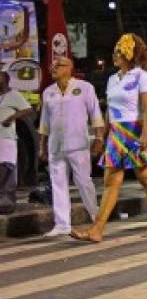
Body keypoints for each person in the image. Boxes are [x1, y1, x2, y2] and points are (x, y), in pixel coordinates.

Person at [71, 34, 147, 242]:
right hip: (116, 132)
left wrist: (145, 135)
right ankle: (97, 229)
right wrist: (102, 136)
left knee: (145, 177)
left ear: (128, 54)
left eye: (118, 52)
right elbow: (109, 110)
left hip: (135, 129)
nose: (114, 55)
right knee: (111, 181)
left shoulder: (142, 76)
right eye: (114, 52)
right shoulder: (112, 79)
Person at [37, 56, 103, 236]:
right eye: (53, 65)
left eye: (58, 65)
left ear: (69, 68)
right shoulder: (48, 92)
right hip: (55, 146)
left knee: (84, 182)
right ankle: (62, 224)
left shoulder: (84, 88)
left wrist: (99, 138)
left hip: (78, 144)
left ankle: (96, 217)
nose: (53, 68)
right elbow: (44, 121)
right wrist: (41, 146)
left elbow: (95, 114)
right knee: (58, 183)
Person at [0, 71, 33, 215]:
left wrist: (11, 117)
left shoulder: (14, 95)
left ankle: (7, 204)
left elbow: (28, 109)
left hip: (7, 138)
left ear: (6, 80)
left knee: (7, 169)